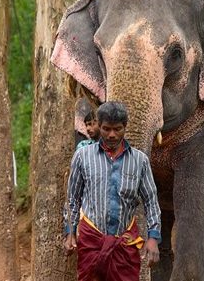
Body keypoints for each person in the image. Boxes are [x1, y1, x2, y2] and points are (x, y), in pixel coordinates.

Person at [64, 101, 162, 281]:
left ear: (125, 127)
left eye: (117, 129)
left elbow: (151, 201)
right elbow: (72, 198)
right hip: (91, 241)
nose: (111, 135)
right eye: (106, 129)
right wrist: (70, 231)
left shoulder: (140, 161)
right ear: (98, 126)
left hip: (124, 246)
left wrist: (153, 237)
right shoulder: (82, 156)